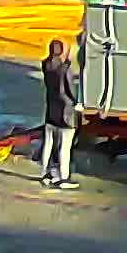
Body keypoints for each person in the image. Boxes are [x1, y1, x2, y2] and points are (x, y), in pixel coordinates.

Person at [39, 37, 79, 188]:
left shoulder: (45, 65)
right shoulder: (65, 69)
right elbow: (70, 91)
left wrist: (66, 60)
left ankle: (44, 174)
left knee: (48, 143)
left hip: (51, 110)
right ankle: (64, 178)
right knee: (65, 146)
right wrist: (77, 103)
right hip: (65, 112)